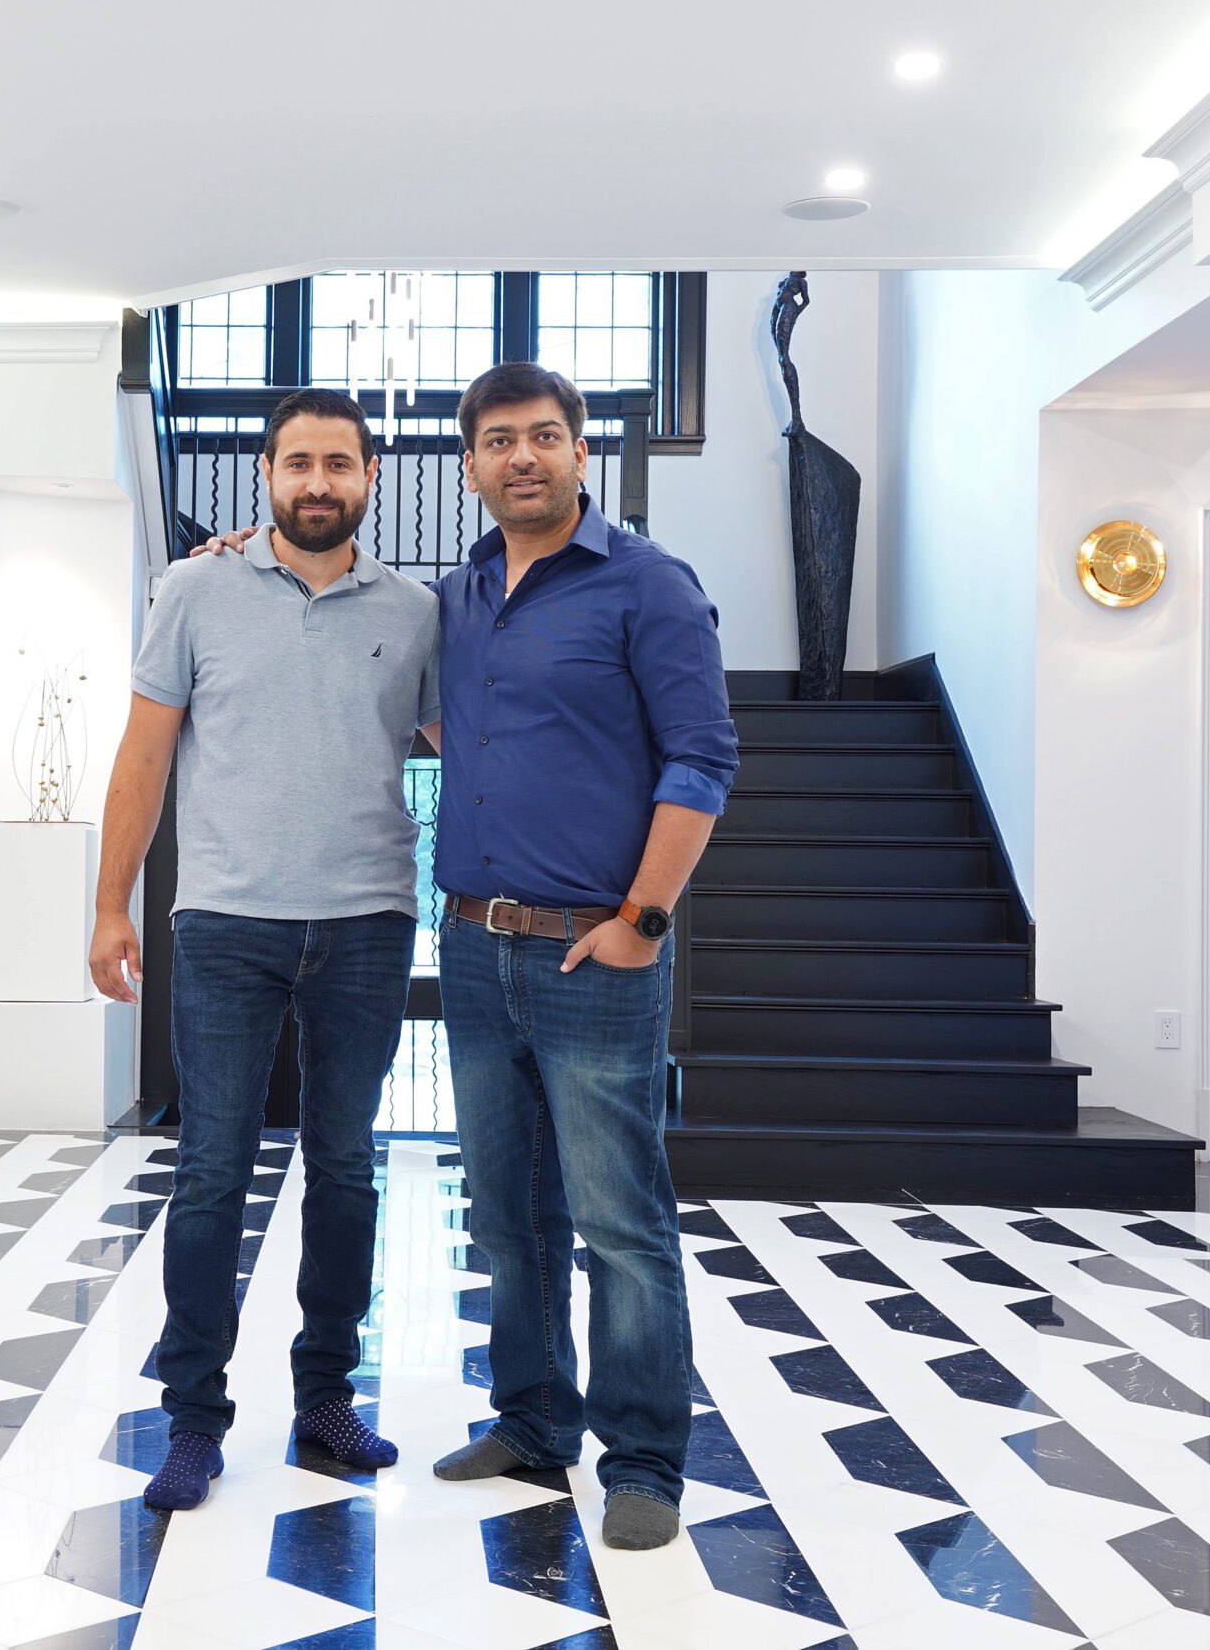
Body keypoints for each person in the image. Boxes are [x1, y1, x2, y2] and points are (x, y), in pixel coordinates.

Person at [197, 363, 737, 1549]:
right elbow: (431, 715)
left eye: (544, 436)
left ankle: (643, 1457)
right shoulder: (463, 595)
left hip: (597, 956)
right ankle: (533, 1422)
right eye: (497, 442)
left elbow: (701, 759)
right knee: (507, 1213)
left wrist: (643, 918)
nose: (522, 458)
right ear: (469, 465)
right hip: (478, 940)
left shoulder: (646, 586)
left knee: (620, 1222)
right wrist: (246, 558)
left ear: (580, 450)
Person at [90, 387, 440, 1511]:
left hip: (368, 922)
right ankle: (193, 1419)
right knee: (209, 1170)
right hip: (227, 922)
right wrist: (109, 906)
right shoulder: (193, 589)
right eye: (298, 463)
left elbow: (473, 746)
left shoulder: (420, 611)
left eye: (340, 463)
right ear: (266, 474)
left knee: (345, 1168)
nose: (318, 482)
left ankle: (325, 1399)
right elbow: (143, 758)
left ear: (370, 476)